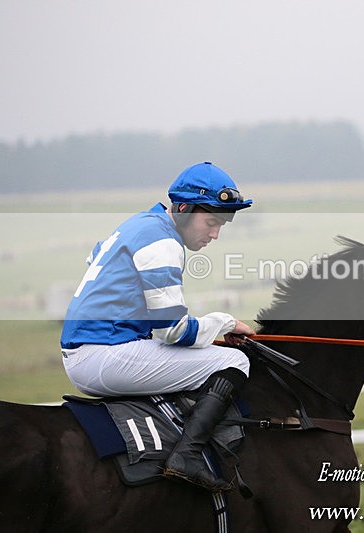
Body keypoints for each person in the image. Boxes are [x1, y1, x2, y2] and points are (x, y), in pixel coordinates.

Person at [60, 161, 255, 492]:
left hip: (90, 352)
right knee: (234, 361)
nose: (215, 234)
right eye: (210, 222)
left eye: (221, 224)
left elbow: (96, 265)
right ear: (182, 208)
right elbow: (174, 331)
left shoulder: (138, 224)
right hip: (104, 355)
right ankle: (187, 456)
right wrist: (225, 321)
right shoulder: (162, 241)